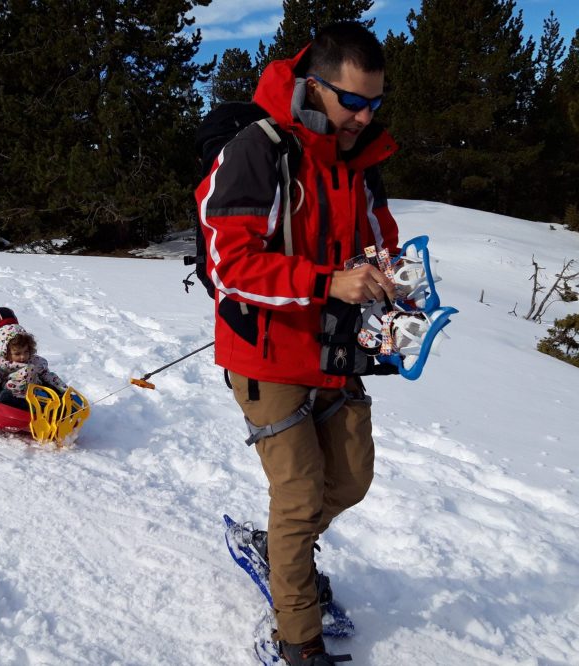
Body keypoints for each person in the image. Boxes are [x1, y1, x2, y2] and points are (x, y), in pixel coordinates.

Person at [195, 22, 399, 666]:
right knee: (301, 494)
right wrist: (327, 282)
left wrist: (391, 284)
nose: (364, 118)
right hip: (265, 352)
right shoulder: (257, 150)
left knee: (352, 478)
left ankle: (282, 547)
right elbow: (231, 265)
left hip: (337, 350)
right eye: (353, 102)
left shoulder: (357, 163)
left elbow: (377, 242)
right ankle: (295, 639)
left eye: (375, 105)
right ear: (315, 86)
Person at [0, 323, 68, 410]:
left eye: (26, 351)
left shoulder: (35, 361)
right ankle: (11, 401)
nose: (23, 357)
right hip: (10, 394)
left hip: (35, 395)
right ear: (5, 352)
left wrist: (64, 390)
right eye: (17, 353)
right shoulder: (0, 362)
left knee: (46, 384)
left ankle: (58, 404)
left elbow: (49, 376)